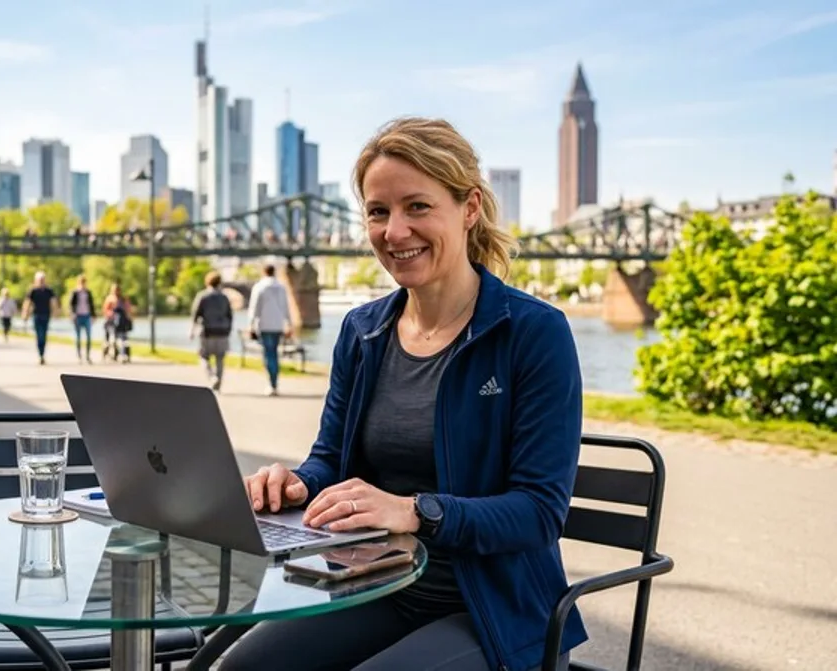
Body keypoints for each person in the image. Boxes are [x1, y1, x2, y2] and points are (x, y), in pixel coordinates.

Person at [228, 117, 584, 671]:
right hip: (376, 587)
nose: (395, 232)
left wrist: (417, 512)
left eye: (417, 206)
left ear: (469, 209)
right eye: (378, 211)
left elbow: (539, 512)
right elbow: (331, 459)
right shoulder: (362, 331)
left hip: (495, 610)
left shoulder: (533, 332)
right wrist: (298, 483)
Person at [247, 264, 293, 396]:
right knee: (274, 353)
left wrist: (251, 325)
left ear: (263, 272)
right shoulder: (281, 287)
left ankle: (271, 383)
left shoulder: (259, 287)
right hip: (278, 325)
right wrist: (288, 324)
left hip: (265, 325)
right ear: (274, 272)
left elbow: (254, 308)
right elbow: (286, 307)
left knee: (268, 354)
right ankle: (274, 382)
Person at [189, 271, 233, 391]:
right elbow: (229, 315)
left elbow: (195, 314)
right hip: (222, 331)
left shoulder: (202, 296)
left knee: (204, 357)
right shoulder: (224, 297)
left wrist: (192, 331)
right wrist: (228, 330)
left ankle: (212, 377)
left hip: (207, 331)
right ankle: (218, 380)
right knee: (220, 358)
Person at [22, 272, 58, 365]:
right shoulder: (33, 290)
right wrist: (25, 313)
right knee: (39, 335)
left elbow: (53, 301)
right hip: (36, 315)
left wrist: (55, 312)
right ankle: (40, 354)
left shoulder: (49, 291)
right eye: (40, 279)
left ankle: (42, 354)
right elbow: (27, 302)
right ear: (36, 280)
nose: (41, 281)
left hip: (46, 315)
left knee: (44, 335)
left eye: (43, 279)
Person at [101, 283, 133, 363]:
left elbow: (128, 310)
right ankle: (109, 354)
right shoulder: (109, 299)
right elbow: (105, 311)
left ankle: (123, 355)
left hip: (121, 323)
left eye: (117, 290)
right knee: (110, 340)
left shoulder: (123, 299)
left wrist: (129, 319)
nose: (116, 292)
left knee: (123, 340)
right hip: (111, 323)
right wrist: (111, 314)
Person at [67, 275, 95, 364]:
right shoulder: (75, 292)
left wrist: (93, 315)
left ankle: (87, 356)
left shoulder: (88, 292)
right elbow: (71, 305)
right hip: (78, 316)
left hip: (87, 316)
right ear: (79, 283)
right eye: (81, 282)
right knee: (78, 337)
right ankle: (79, 356)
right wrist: (72, 315)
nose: (83, 284)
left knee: (89, 337)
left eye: (84, 282)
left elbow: (91, 304)